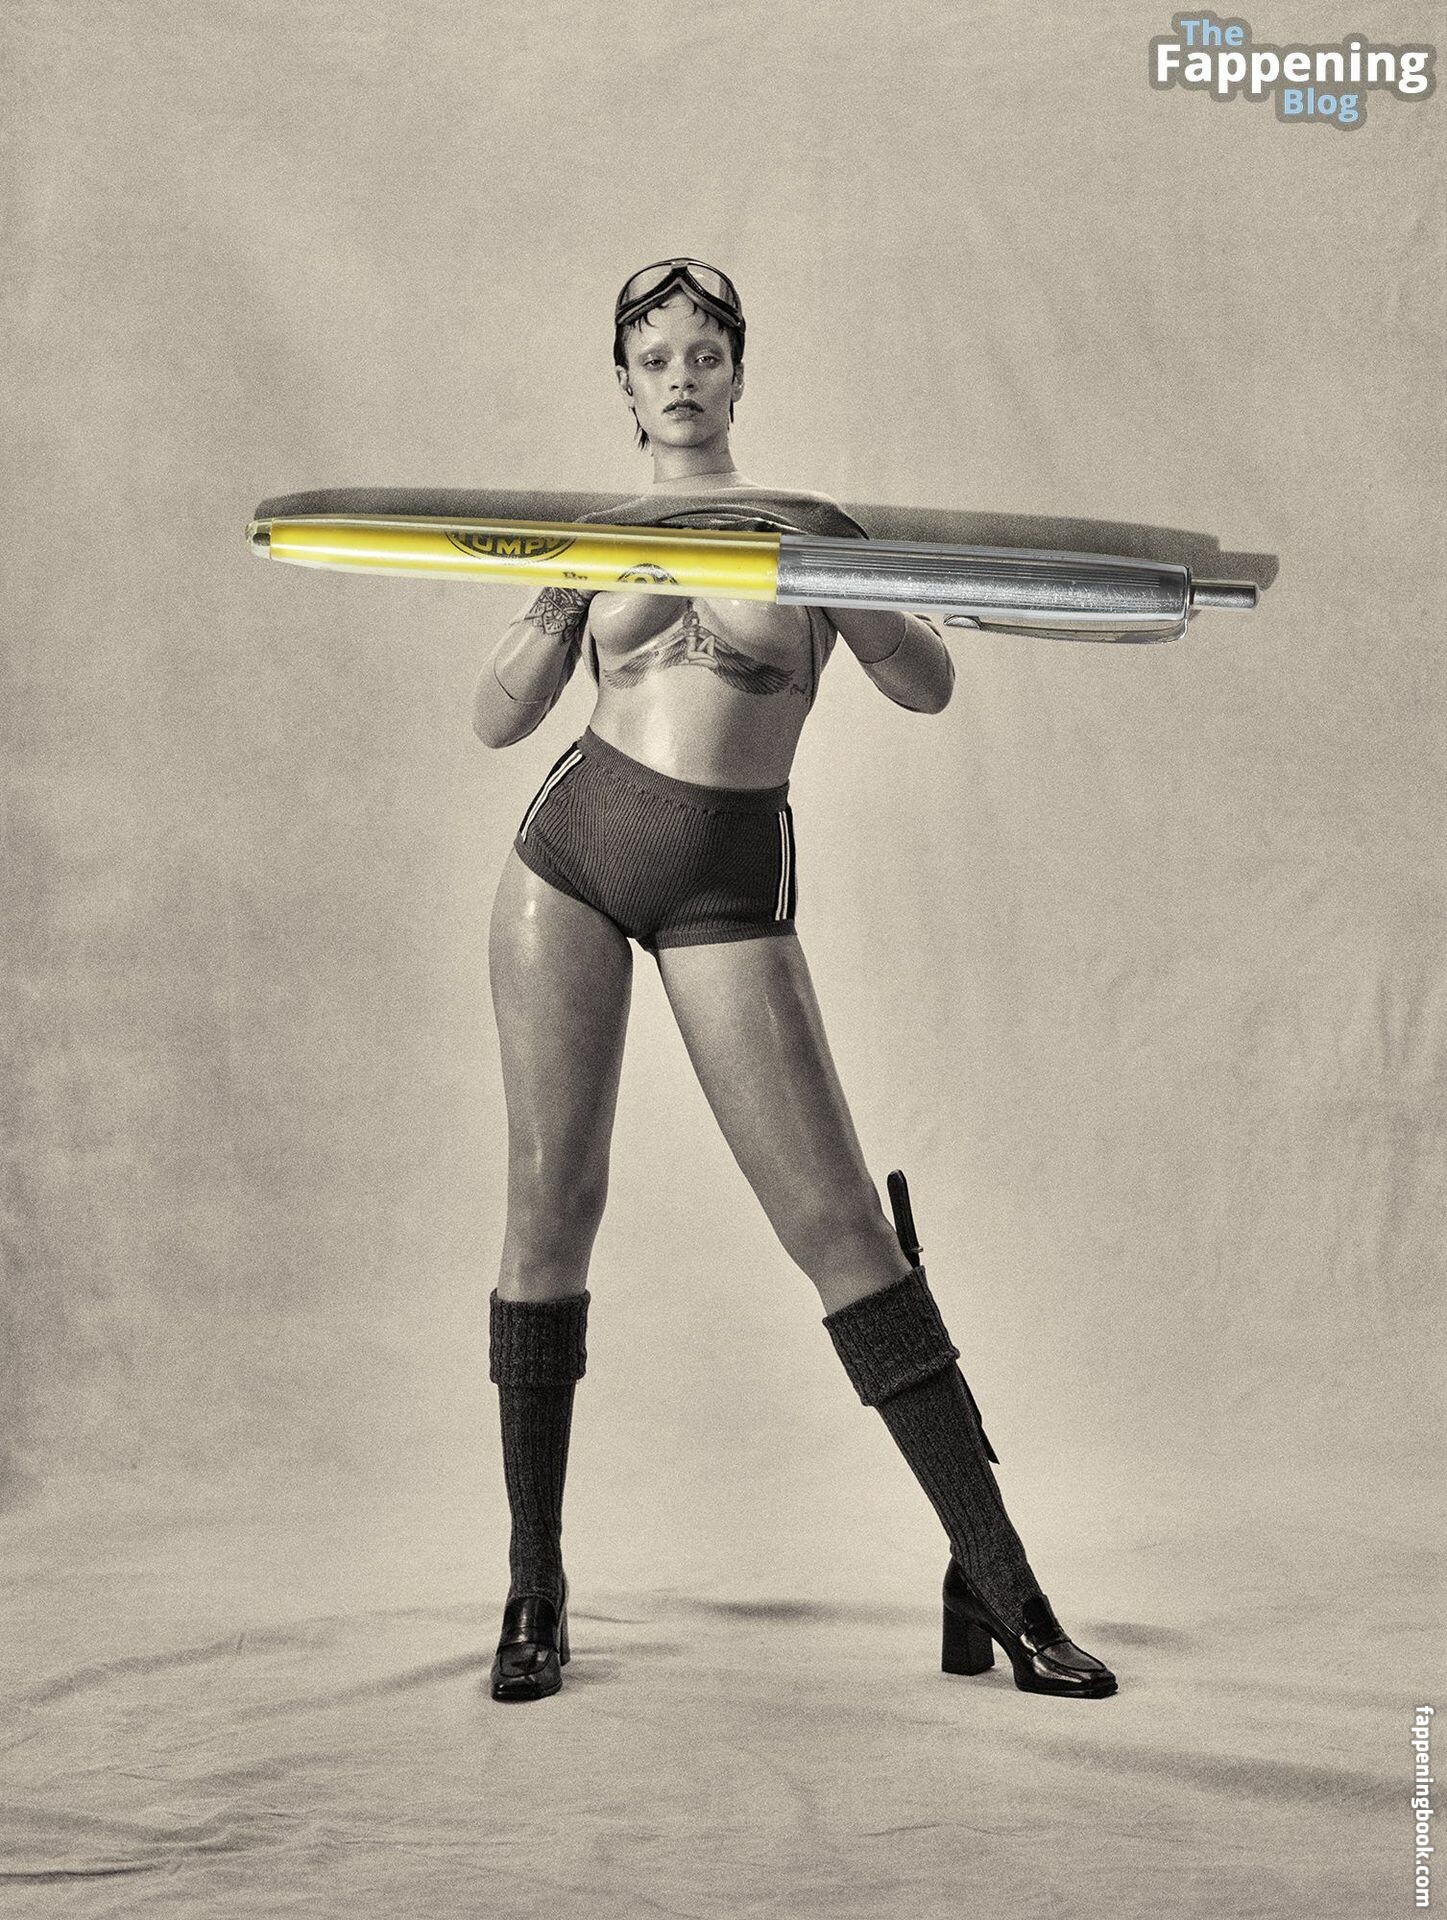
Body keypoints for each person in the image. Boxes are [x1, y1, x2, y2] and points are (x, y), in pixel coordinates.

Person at [472, 258, 1117, 1704]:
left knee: (838, 1226)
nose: (681, 377)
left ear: (740, 375)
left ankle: (1000, 1582)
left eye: (705, 353)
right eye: (654, 358)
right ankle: (533, 1585)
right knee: (551, 1205)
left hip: (724, 886)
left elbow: (926, 685)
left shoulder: (805, 530)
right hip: (568, 860)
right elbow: (494, 720)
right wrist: (563, 592)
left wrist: (848, 581)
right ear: (624, 386)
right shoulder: (601, 537)